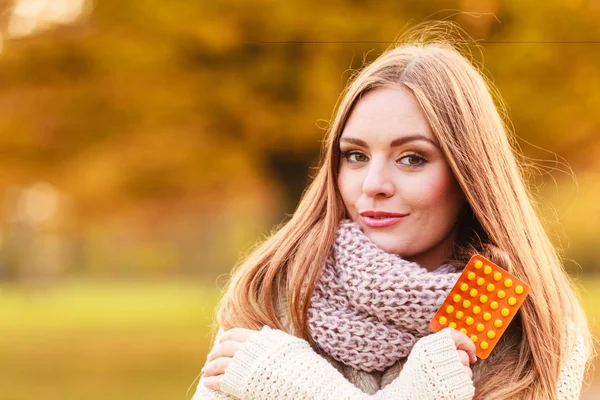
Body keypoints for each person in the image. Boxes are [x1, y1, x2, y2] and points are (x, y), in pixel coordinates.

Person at [193, 23, 593, 399]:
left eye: (412, 158)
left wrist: (312, 390)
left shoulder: (535, 325)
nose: (373, 184)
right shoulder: (272, 291)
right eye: (355, 155)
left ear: (468, 171)